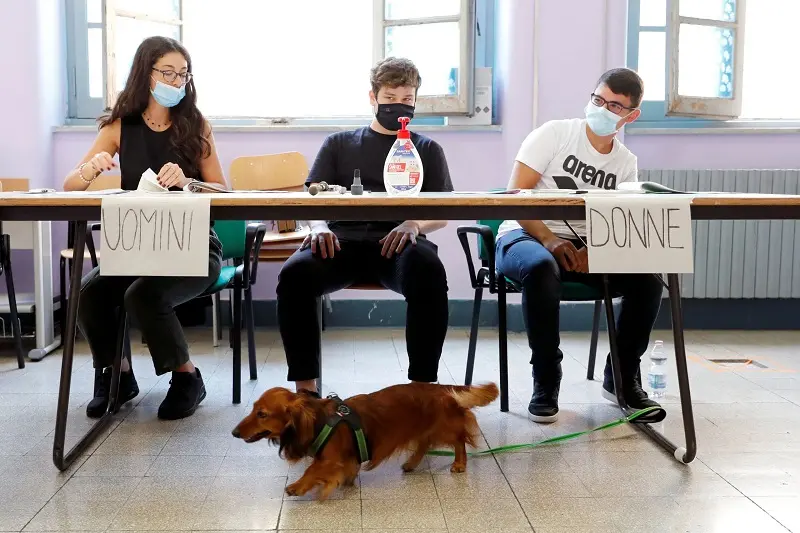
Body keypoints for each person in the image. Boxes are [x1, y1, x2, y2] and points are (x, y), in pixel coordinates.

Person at [63, 36, 227, 420]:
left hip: (196, 245)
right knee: (89, 292)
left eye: (183, 74)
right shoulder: (121, 125)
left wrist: (187, 181)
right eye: (167, 72)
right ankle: (117, 376)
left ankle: (187, 378)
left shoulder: (197, 125)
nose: (175, 81)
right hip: (140, 247)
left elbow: (222, 190)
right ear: (146, 74)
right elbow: (71, 184)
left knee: (144, 294)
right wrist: (93, 167)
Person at [495, 68, 666, 424]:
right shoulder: (554, 134)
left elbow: (620, 221)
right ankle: (546, 378)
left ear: (631, 115)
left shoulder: (625, 163)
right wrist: (550, 239)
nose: (602, 109)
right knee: (542, 267)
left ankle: (621, 376)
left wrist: (600, 251)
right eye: (598, 99)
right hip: (526, 233)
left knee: (648, 280)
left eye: (615, 106)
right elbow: (515, 198)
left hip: (584, 245)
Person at [277, 57, 453, 395]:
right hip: (340, 242)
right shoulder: (339, 144)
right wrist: (317, 226)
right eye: (390, 98)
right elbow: (311, 197)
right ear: (372, 98)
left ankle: (420, 391)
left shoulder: (428, 149)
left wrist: (414, 223)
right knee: (295, 274)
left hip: (398, 245)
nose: (399, 105)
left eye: (407, 99)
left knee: (429, 270)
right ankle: (306, 391)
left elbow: (442, 210)